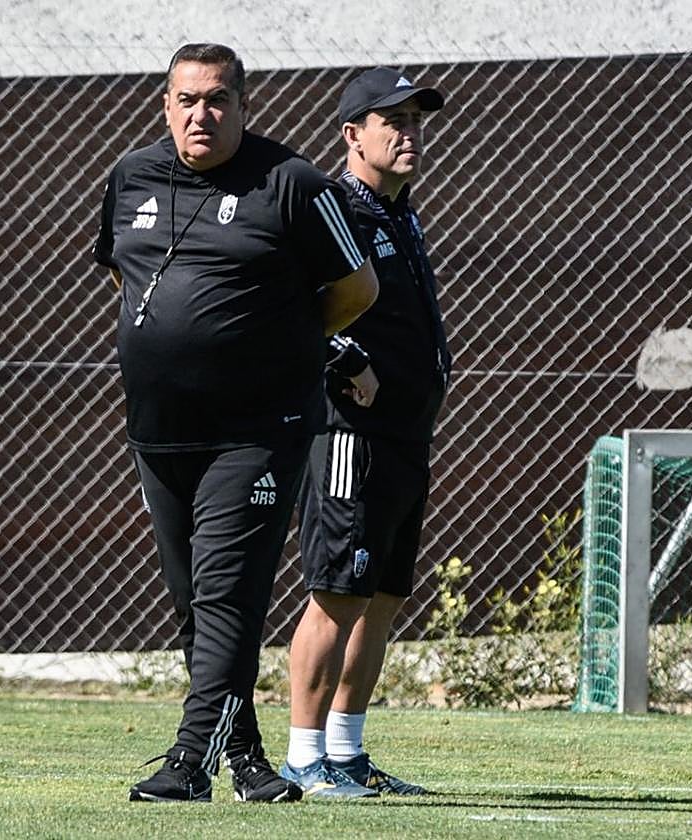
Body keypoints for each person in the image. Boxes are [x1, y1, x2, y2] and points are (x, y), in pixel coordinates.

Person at [93, 43, 379, 803]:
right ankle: (249, 763)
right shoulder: (131, 176)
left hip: (259, 427)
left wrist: (282, 342)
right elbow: (125, 271)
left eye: (217, 99)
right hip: (158, 430)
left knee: (226, 594)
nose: (201, 114)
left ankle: (190, 764)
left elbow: (357, 287)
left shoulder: (293, 185)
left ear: (243, 107)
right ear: (165, 104)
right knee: (196, 603)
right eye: (187, 99)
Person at [280, 67, 452, 799]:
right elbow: (284, 309)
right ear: (353, 134)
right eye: (394, 121)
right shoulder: (330, 209)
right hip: (349, 433)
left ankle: (347, 755)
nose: (409, 133)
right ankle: (301, 759)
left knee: (382, 597)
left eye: (416, 120)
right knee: (337, 592)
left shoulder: (399, 211)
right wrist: (343, 359)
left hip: (406, 433)